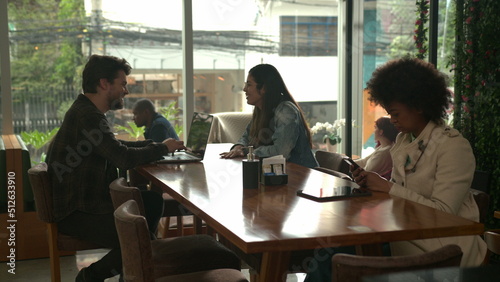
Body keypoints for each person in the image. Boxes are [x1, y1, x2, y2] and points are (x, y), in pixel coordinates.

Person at [46, 54, 185, 281]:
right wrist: (162, 149)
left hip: (84, 203)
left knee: (151, 201)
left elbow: (113, 147)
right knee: (142, 241)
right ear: (104, 84)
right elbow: (121, 157)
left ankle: (132, 271)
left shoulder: (88, 111)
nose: (126, 91)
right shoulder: (88, 116)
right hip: (77, 212)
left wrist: (155, 145)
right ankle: (92, 276)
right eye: (122, 84)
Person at [353, 57, 487, 266]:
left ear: (419, 105)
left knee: (342, 257)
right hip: (407, 236)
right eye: (390, 114)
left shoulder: (453, 146)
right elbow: (399, 195)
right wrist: (373, 185)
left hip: (444, 249)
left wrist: (387, 188)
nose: (392, 120)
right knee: (342, 253)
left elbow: (444, 214)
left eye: (395, 114)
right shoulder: (403, 140)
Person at [220, 64, 318, 168]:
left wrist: (247, 151)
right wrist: (238, 147)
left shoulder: (286, 111)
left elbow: (280, 152)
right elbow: (247, 136)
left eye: (249, 84)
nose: (244, 89)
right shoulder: (261, 109)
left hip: (301, 174)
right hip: (279, 172)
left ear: (264, 88)